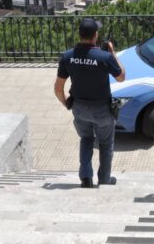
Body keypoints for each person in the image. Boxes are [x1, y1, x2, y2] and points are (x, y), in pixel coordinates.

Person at [54, 18, 125, 188]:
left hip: (79, 108)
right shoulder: (104, 57)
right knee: (106, 144)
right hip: (102, 109)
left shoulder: (67, 56)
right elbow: (121, 77)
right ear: (95, 35)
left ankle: (86, 178)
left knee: (86, 139)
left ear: (79, 35)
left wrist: (68, 104)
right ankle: (104, 180)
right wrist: (113, 52)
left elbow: (58, 88)